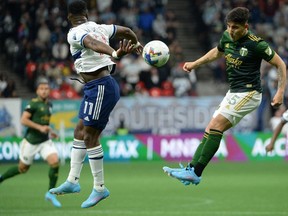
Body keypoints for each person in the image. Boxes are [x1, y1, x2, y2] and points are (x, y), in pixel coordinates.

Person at [163, 7, 287, 186]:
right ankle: (190, 169)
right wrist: (195, 64)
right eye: (228, 26)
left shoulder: (256, 44)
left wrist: (280, 92)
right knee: (209, 129)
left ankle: (196, 172)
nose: (231, 30)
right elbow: (217, 51)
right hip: (234, 92)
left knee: (216, 126)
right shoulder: (227, 37)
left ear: (246, 26)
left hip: (250, 93)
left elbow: (280, 64)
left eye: (235, 27)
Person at [49, 0, 142, 208]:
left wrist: (115, 54)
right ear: (87, 13)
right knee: (79, 130)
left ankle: (100, 188)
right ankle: (72, 181)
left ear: (68, 17)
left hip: (101, 86)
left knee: (90, 136)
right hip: (97, 87)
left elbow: (91, 43)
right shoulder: (100, 26)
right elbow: (126, 30)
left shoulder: (74, 32)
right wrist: (135, 43)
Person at [0, 78, 61, 208]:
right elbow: (23, 120)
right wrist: (39, 128)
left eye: (46, 89)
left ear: (49, 91)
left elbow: (44, 124)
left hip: (44, 141)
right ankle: (1, 178)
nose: (44, 91)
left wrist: (50, 131)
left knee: (55, 162)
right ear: (37, 91)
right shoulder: (33, 104)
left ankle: (50, 193)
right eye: (42, 89)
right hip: (31, 142)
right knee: (22, 169)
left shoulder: (49, 105)